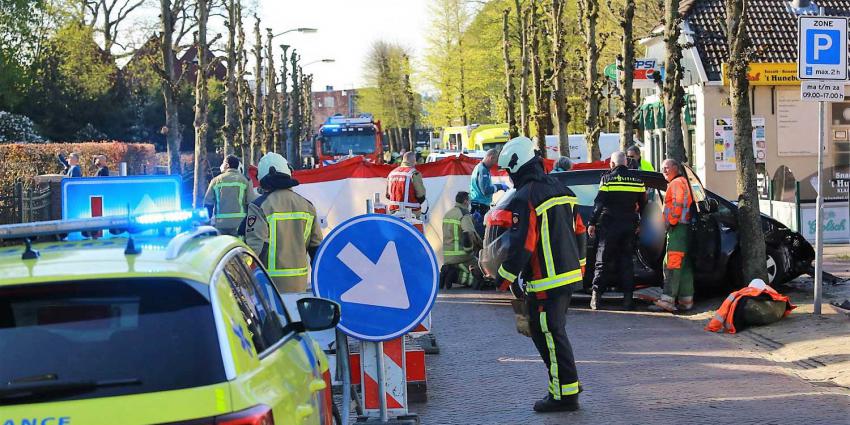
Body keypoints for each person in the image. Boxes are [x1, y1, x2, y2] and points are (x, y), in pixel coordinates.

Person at [494, 136, 583, 413]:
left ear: (517, 166)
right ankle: (567, 385)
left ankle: (563, 396)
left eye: (509, 172)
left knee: (549, 333)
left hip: (546, 280)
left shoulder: (526, 197)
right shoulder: (562, 188)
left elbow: (524, 242)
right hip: (567, 276)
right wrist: (579, 267)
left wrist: (503, 276)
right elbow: (580, 231)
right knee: (552, 332)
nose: (508, 178)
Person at [243, 152, 323, 293]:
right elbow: (316, 250)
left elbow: (253, 249)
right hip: (300, 284)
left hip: (269, 285)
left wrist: (240, 274)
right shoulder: (307, 206)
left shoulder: (259, 206)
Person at [587, 151, 646, 310]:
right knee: (627, 262)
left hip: (609, 226)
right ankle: (628, 300)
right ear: (626, 163)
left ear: (612, 164)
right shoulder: (637, 181)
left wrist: (592, 222)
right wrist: (641, 223)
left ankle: (596, 298)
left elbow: (599, 203)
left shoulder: (607, 179)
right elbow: (644, 205)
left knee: (602, 261)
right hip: (629, 226)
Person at [653, 158, 694, 312]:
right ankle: (686, 300)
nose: (664, 170)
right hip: (684, 229)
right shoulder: (683, 182)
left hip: (677, 229)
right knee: (684, 266)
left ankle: (668, 300)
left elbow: (677, 204)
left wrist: (671, 221)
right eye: (662, 168)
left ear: (675, 168)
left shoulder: (676, 184)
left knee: (672, 263)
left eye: (667, 168)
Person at [441, 191, 484, 289]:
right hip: (462, 255)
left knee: (469, 269)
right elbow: (470, 233)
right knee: (481, 273)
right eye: (469, 201)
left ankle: (448, 271)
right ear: (465, 201)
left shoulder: (448, 214)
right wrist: (482, 246)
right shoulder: (464, 214)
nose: (469, 203)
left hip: (447, 256)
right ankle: (455, 276)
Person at [204, 155, 254, 236]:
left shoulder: (216, 181)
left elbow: (208, 203)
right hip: (239, 224)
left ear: (227, 165)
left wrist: (208, 222)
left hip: (220, 225)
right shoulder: (244, 181)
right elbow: (251, 203)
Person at [386, 151, 426, 218]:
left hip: (393, 212)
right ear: (414, 160)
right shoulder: (414, 173)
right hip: (411, 213)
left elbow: (387, 195)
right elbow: (421, 194)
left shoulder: (392, 173)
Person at [469, 149, 508, 216]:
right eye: (495, 161)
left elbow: (485, 186)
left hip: (478, 204)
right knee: (481, 225)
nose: (495, 164)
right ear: (491, 157)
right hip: (480, 206)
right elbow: (485, 190)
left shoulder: (480, 168)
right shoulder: (483, 170)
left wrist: (499, 186)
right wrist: (500, 186)